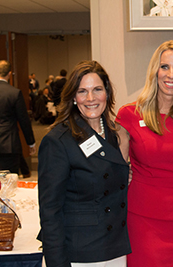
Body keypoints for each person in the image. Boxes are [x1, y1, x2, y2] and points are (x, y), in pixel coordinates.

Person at [116, 40, 173, 266]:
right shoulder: (129, 115)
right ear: (155, 71)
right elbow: (113, 167)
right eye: (165, 67)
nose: (171, 74)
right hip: (144, 219)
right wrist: (123, 175)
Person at [38, 60, 131, 266]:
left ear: (107, 93)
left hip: (114, 248)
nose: (90, 98)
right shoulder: (58, 141)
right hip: (80, 253)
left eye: (97, 89)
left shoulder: (113, 133)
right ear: (73, 97)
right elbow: (50, 211)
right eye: (82, 91)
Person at [0, 60, 36, 174]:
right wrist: (31, 143)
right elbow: (24, 120)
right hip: (8, 144)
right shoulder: (14, 93)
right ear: (9, 74)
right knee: (8, 182)